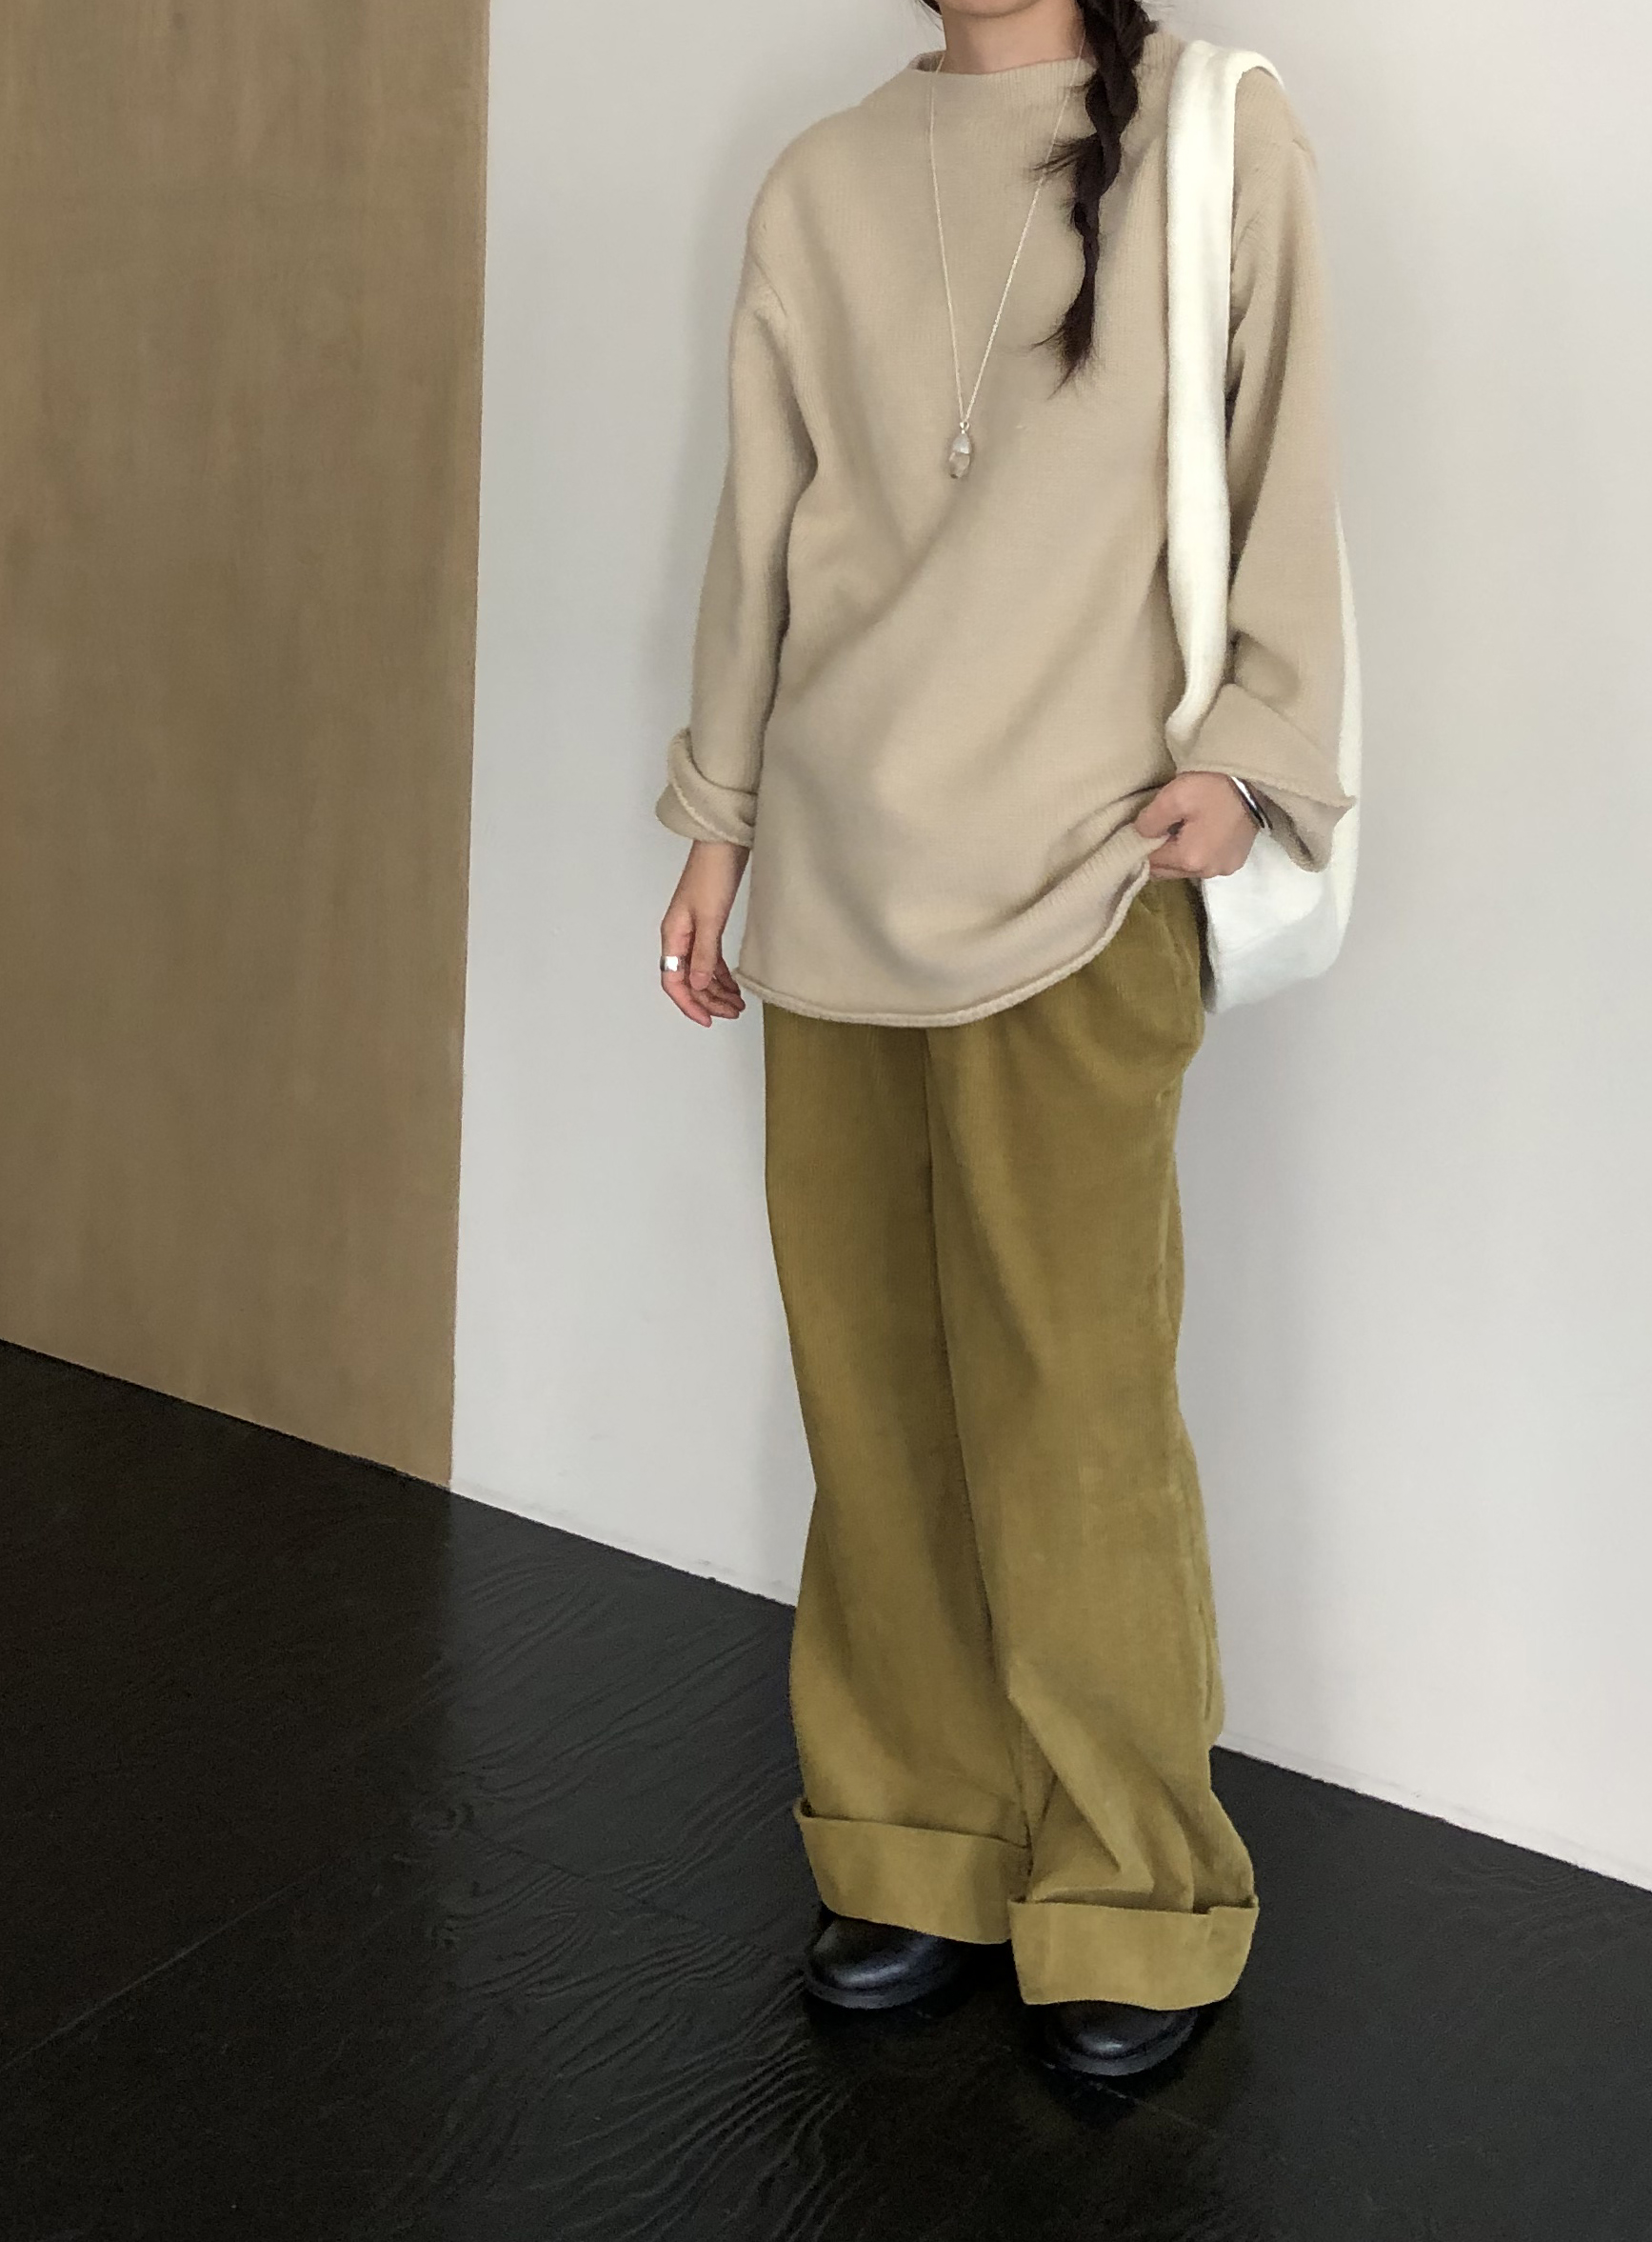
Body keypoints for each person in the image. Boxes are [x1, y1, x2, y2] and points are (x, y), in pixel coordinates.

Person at [654, 0, 1354, 2081]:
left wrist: (1255, 753)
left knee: (1074, 1410)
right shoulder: (820, 182)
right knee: (869, 1396)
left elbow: (1286, 456)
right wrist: (715, 822)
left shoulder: (1215, 134)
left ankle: (1130, 1885)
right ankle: (914, 1838)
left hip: (1085, 878)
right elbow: (759, 525)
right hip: (838, 873)